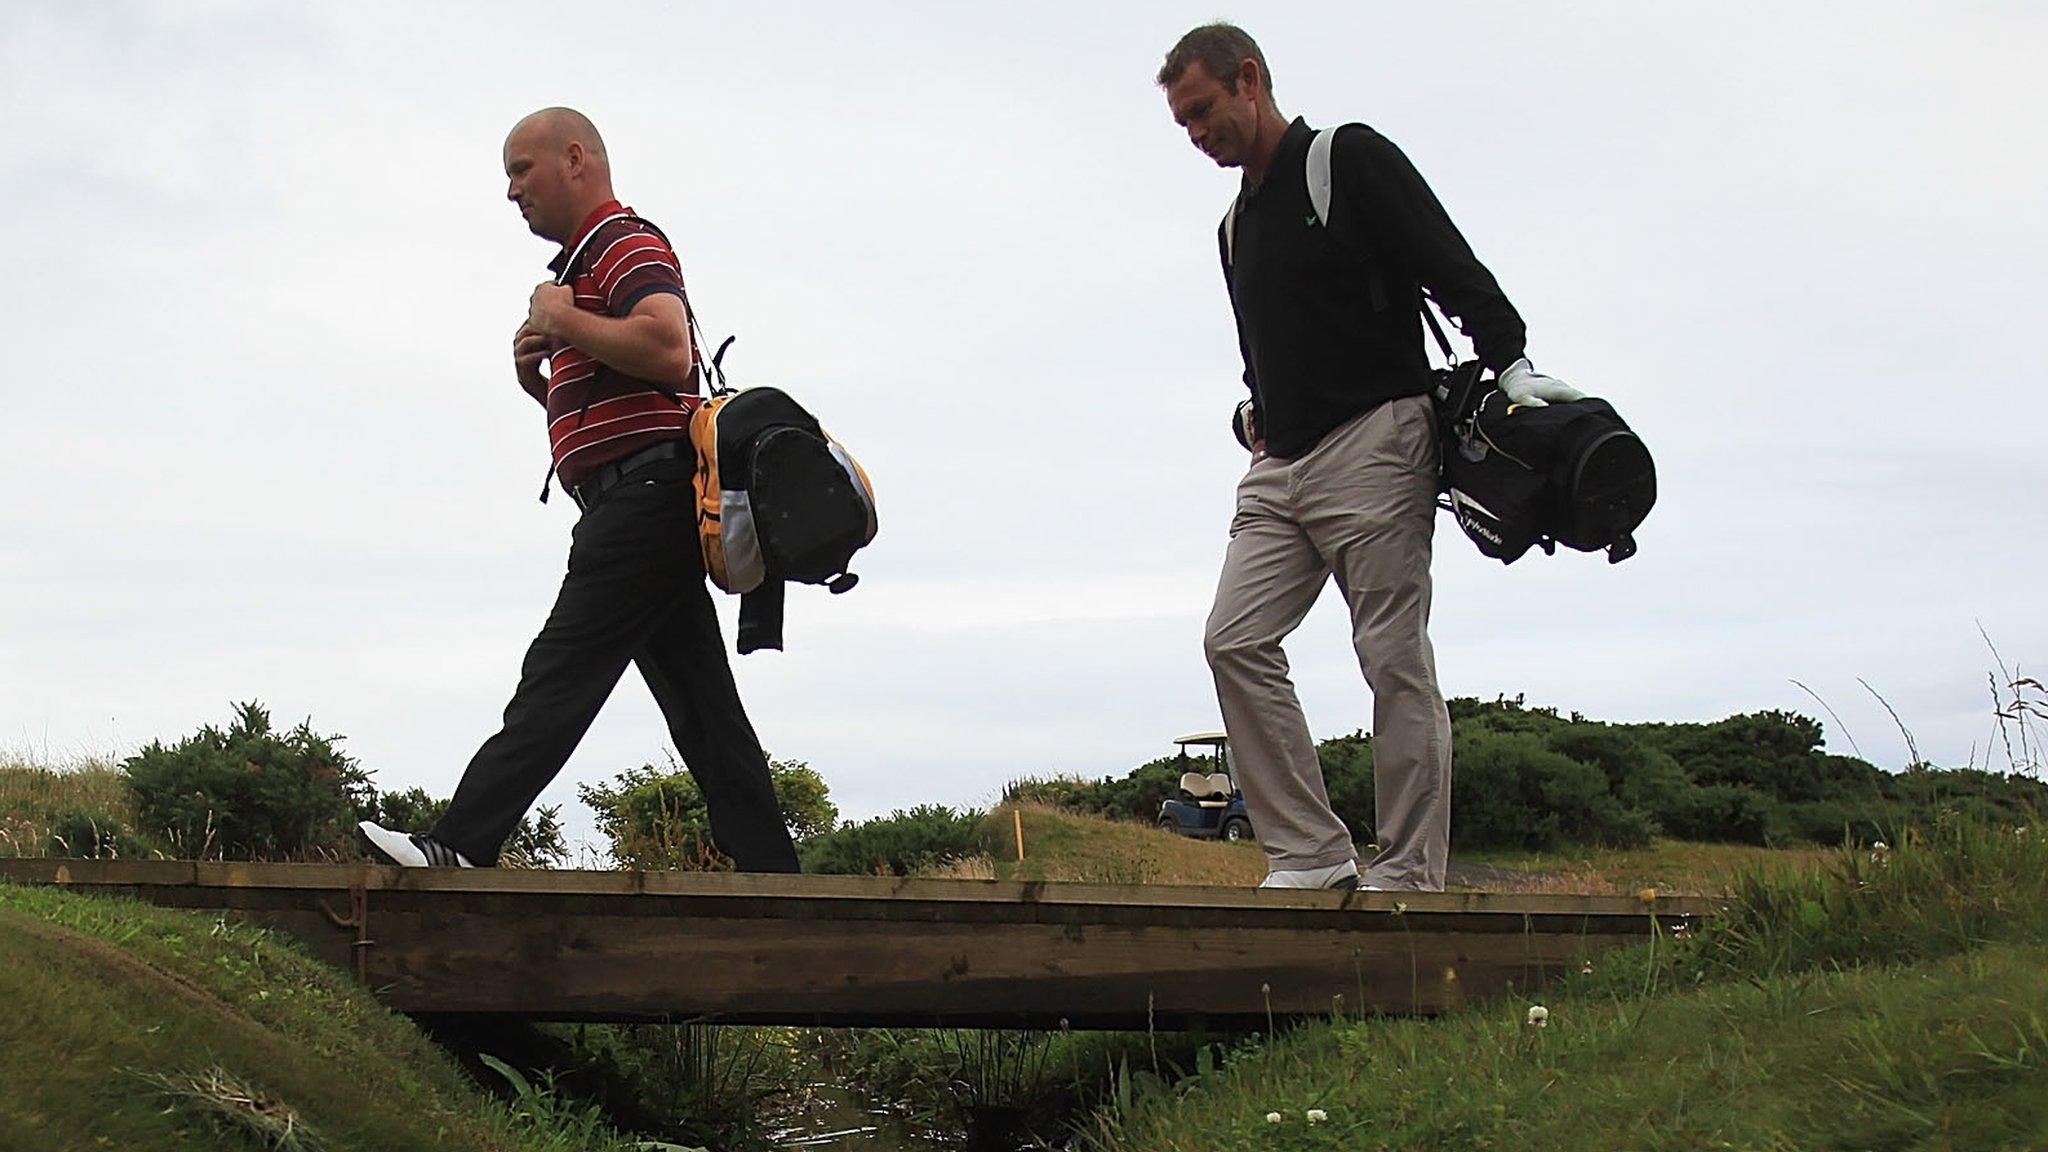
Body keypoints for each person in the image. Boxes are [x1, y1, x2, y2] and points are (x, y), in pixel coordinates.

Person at [1158, 24, 1574, 891]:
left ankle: (1411, 871)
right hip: (1281, 469)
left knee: (1391, 656)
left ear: (1249, 80)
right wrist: (1255, 414)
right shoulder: (1233, 228)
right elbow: (1258, 352)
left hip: (1378, 442)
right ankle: (1309, 852)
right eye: (1184, 126)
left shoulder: (1344, 161)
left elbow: (1451, 266)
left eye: (1203, 113)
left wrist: (1512, 363)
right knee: (1233, 640)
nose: (1198, 136)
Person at [357, 107, 800, 873]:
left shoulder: (623, 241)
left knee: (560, 673)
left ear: (575, 160)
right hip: (636, 497)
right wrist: (540, 383)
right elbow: (613, 418)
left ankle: (458, 844)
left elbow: (668, 351)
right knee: (704, 712)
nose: (511, 193)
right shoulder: (582, 264)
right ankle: (777, 879)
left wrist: (563, 318)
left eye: (520, 171)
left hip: (645, 500)